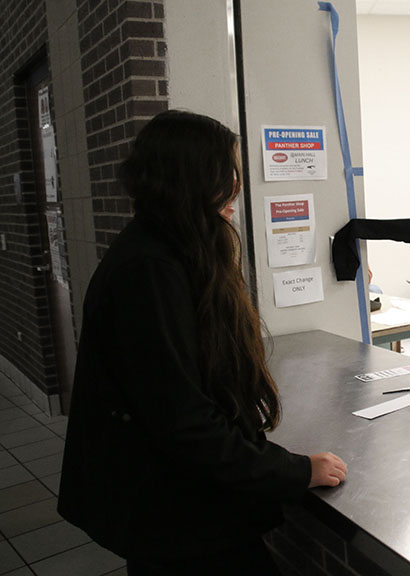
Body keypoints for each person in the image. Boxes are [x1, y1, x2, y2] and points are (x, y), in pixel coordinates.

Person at [57, 110, 347, 574]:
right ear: (190, 177)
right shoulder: (150, 270)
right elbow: (181, 420)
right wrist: (295, 471)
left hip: (179, 508)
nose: (235, 186)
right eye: (224, 171)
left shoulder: (171, 249)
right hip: (175, 516)